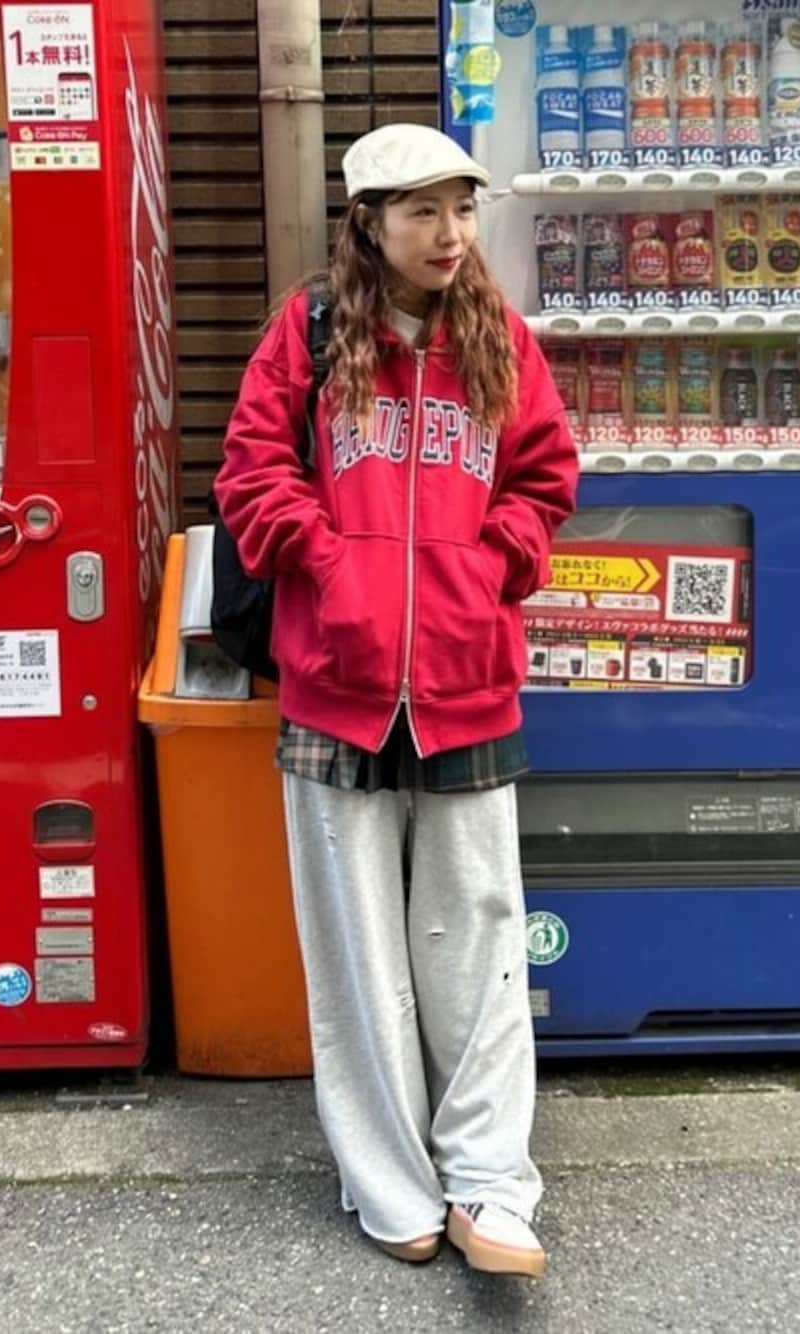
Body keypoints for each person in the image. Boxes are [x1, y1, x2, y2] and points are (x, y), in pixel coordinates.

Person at [214, 123, 578, 1280]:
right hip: (337, 683)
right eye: (422, 210)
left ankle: (490, 1182)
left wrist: (488, 566)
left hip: (468, 680)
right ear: (367, 222)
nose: (450, 232)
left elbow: (545, 477)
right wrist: (331, 569)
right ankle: (388, 1182)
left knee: (479, 946)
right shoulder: (311, 332)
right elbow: (250, 474)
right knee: (358, 958)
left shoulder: (497, 337)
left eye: (462, 208)